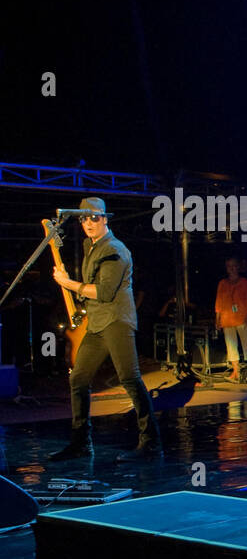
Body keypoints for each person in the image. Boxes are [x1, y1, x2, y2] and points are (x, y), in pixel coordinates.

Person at [50, 197, 162, 461]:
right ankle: (81, 443)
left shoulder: (115, 249)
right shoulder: (92, 246)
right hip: (98, 323)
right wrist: (74, 291)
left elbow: (104, 291)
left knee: (130, 378)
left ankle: (151, 443)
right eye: (84, 218)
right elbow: (89, 289)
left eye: (95, 217)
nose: (89, 222)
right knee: (78, 378)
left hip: (117, 320)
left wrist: (68, 283)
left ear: (105, 219)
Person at [216, 258, 247, 382]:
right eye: (229, 266)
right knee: (231, 346)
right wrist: (217, 320)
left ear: (238, 267)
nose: (232, 268)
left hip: (241, 318)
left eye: (234, 266)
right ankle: (236, 371)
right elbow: (219, 303)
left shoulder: (244, 282)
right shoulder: (222, 283)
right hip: (227, 319)